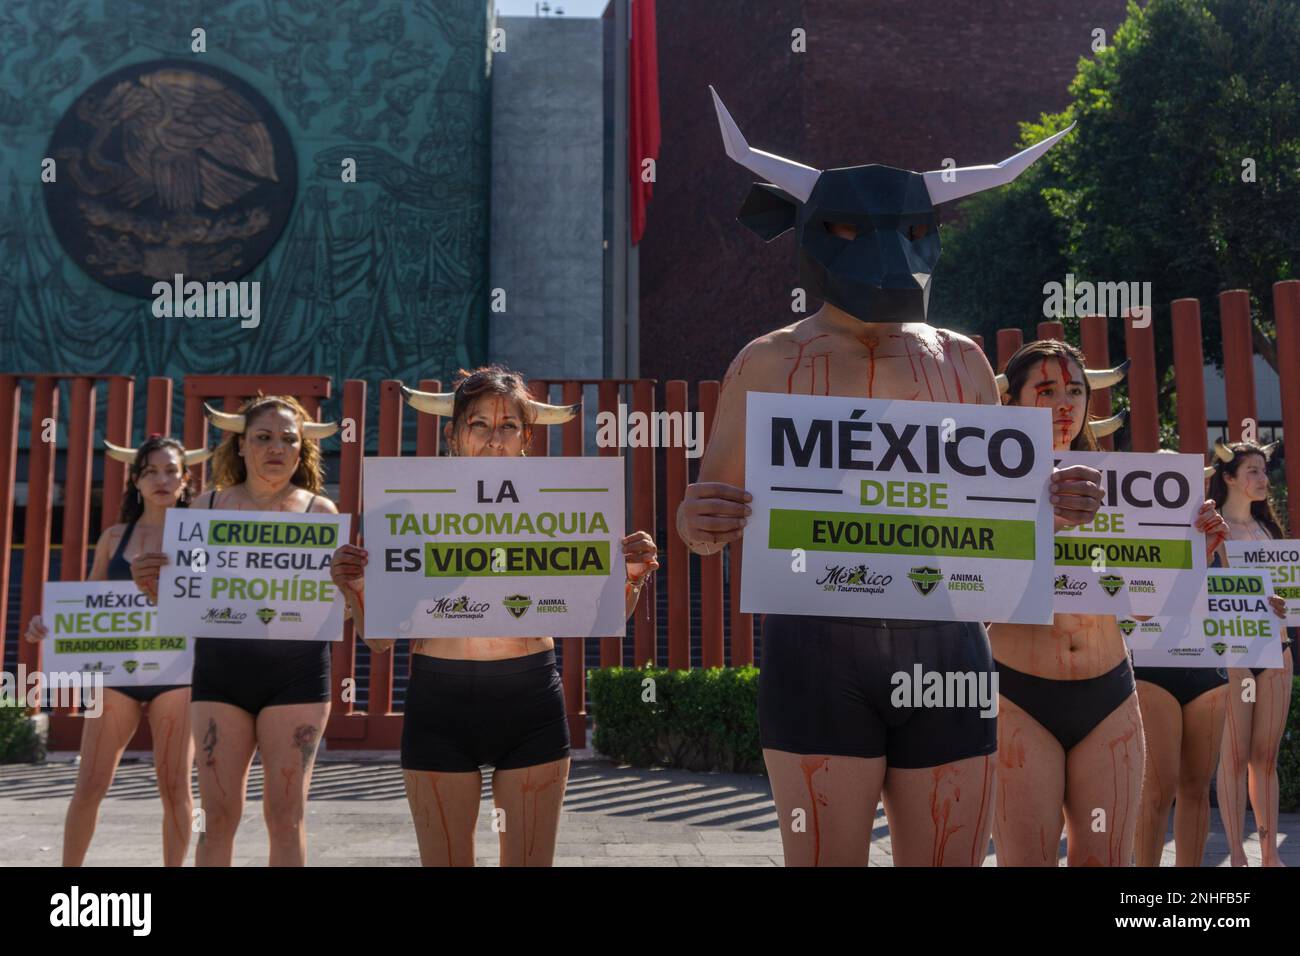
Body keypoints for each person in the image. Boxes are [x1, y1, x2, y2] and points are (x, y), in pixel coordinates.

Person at [677, 90, 1104, 867]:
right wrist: (698, 519)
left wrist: (1059, 503)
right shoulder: (767, 361)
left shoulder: (964, 360)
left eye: (908, 230)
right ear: (808, 232)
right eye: (848, 228)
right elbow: (709, 518)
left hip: (946, 644)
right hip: (815, 648)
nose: (883, 252)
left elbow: (1009, 511)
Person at [330, 365, 659, 867]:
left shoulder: (565, 501)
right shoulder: (404, 508)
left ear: (526, 437)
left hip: (530, 698)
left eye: (508, 427)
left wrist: (631, 576)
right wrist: (355, 589)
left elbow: (604, 615)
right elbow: (378, 644)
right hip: (438, 699)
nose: (493, 438)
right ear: (453, 433)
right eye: (478, 424)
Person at [990, 340, 1227, 866]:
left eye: (1074, 390)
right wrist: (1042, 521)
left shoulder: (1120, 482)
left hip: (1109, 692)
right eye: (1046, 390)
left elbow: (1144, 608)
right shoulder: (982, 483)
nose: (1065, 404)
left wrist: (1191, 553)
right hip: (1018, 694)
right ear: (1012, 403)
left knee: (1107, 861)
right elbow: (970, 596)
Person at [131, 396, 340, 866]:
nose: (276, 448)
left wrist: (354, 585)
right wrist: (150, 583)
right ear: (241, 445)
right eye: (263, 438)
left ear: (302, 449)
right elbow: (185, 597)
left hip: (298, 677)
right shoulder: (206, 507)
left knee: (285, 815)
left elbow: (338, 612)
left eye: (289, 439)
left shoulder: (320, 513)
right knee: (218, 815)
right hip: (220, 675)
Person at [25, 434, 207, 866]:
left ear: (185, 479)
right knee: (89, 783)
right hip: (118, 675)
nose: (161, 479)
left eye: (170, 471)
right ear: (136, 482)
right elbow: (89, 603)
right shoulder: (114, 537)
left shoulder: (203, 534)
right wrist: (49, 625)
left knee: (176, 785)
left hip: (177, 672)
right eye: (150, 472)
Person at [1211, 439, 1294, 867]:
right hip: (1234, 651)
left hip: (1276, 648)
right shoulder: (1212, 528)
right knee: (1235, 756)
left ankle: (1268, 855)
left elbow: (1287, 593)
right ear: (1228, 477)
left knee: (1265, 757)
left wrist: (1284, 602)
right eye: (1254, 472)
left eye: (1265, 471)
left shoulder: (1269, 530)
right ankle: (1237, 853)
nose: (1263, 480)